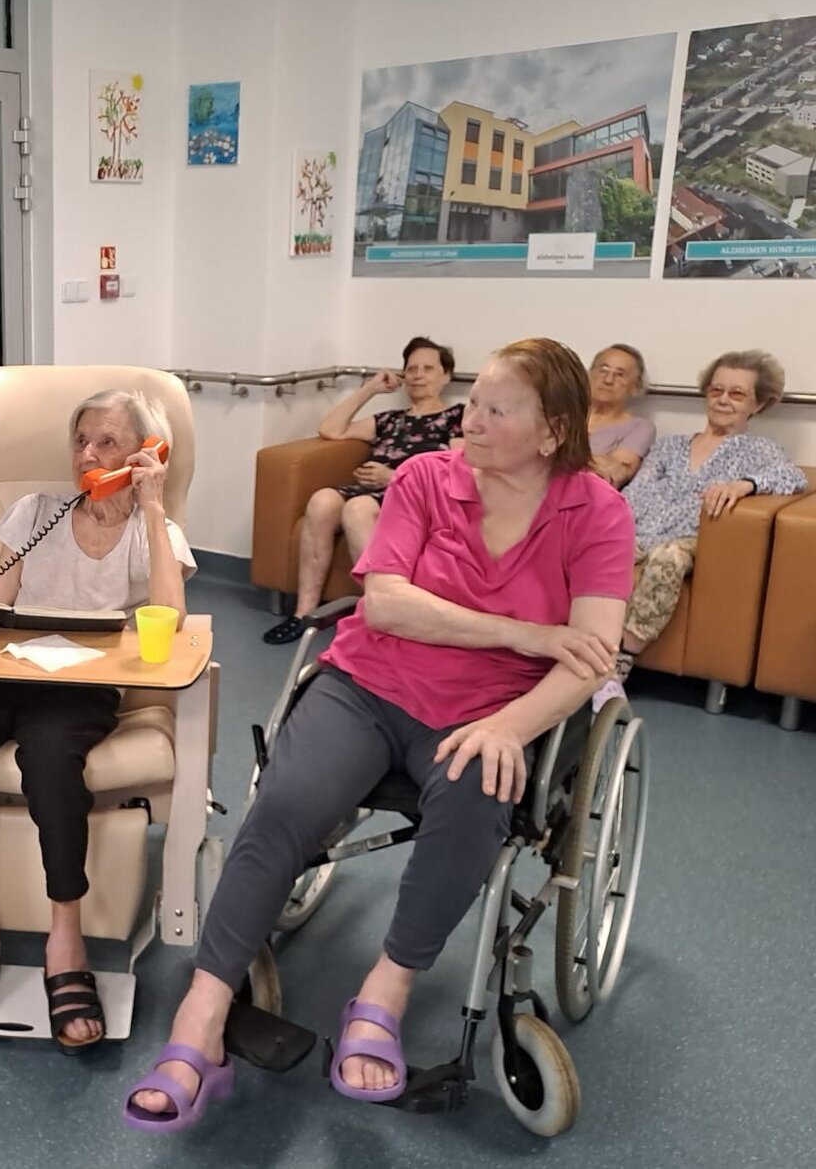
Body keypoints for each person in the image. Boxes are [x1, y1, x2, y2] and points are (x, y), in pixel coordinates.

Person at [126, 338, 633, 1132]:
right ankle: (202, 1011)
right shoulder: (427, 478)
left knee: (477, 791)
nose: (470, 419)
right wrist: (527, 634)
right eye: (473, 402)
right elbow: (389, 606)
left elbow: (590, 654)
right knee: (284, 802)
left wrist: (511, 724)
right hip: (368, 685)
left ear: (553, 431)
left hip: (487, 710)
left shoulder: (596, 511)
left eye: (496, 410)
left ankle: (385, 991)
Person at [0, 389, 197, 1053]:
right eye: (80, 440)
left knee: (49, 761)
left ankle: (65, 938)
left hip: (81, 684)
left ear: (146, 453)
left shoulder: (155, 531)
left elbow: (172, 618)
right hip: (6, 669)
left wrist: (152, 505)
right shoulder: (36, 512)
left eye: (107, 442)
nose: (88, 454)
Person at [592, 349, 806, 711]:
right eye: (716, 390)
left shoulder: (759, 450)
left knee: (669, 557)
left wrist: (745, 484)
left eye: (737, 394)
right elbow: (633, 496)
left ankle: (618, 664)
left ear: (757, 404)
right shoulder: (669, 446)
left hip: (688, 539)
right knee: (590, 550)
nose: (723, 400)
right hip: (641, 531)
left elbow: (794, 478)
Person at [263, 336, 464, 645]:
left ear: (446, 376)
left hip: (411, 494)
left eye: (428, 369)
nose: (418, 375)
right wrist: (370, 388)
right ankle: (304, 614)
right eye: (412, 369)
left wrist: (393, 477)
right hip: (369, 490)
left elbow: (457, 471)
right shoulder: (390, 420)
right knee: (321, 501)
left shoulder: (456, 418)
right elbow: (330, 429)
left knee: (357, 508)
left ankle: (381, 613)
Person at [586, 343, 655, 489]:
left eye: (620, 375)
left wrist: (559, 456)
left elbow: (614, 475)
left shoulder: (640, 427)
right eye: (603, 370)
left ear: (635, 387)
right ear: (589, 375)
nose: (608, 380)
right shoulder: (563, 414)